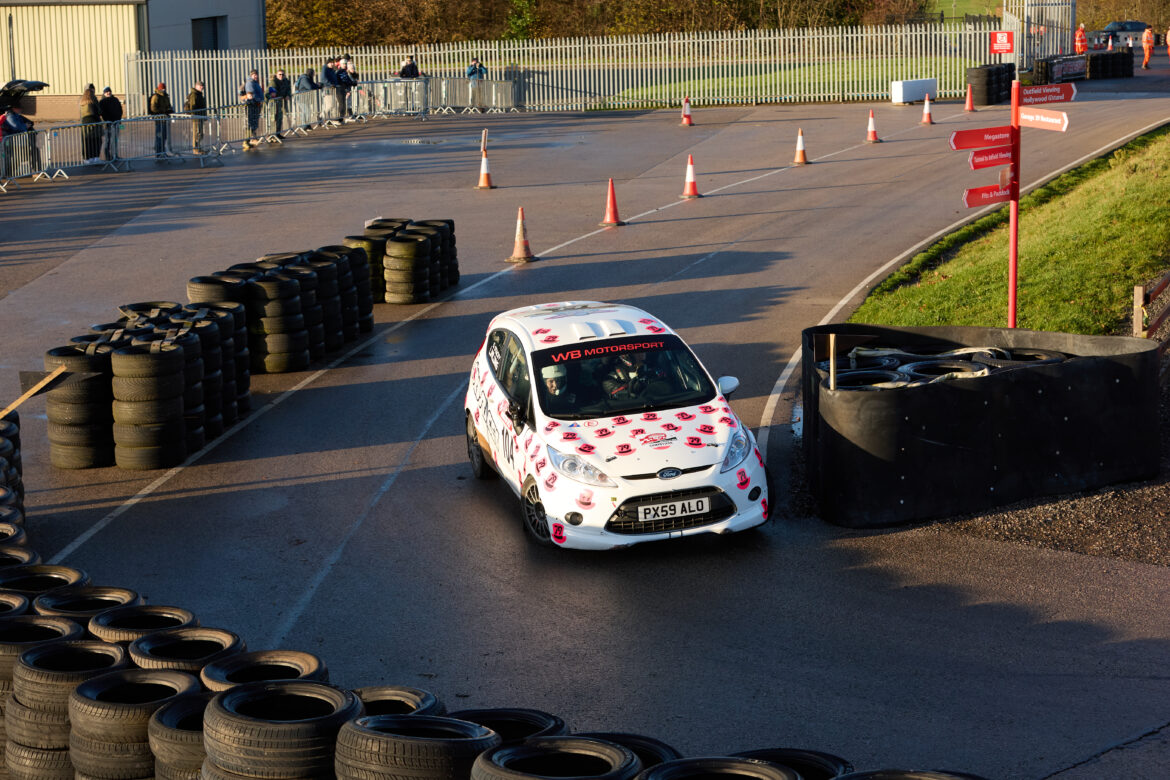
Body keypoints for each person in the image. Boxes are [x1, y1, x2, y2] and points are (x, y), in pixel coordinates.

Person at [602, 352, 667, 400]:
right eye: (637, 352)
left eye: (643, 351)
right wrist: (635, 386)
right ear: (625, 356)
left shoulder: (653, 369)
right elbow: (619, 397)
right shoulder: (610, 379)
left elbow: (667, 388)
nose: (642, 354)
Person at [148, 82, 172, 158]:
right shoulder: (156, 96)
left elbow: (168, 105)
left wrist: (169, 110)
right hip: (159, 120)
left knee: (164, 137)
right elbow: (153, 108)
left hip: (165, 119)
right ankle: (158, 154)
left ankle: (163, 152)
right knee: (159, 137)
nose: (164, 90)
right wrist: (163, 111)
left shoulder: (165, 96)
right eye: (162, 88)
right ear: (159, 88)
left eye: (164, 88)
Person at [79, 84, 102, 164]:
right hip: (94, 124)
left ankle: (87, 158)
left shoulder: (82, 101)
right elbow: (97, 112)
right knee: (96, 141)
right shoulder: (93, 101)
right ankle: (95, 157)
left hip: (85, 124)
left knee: (87, 142)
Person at [98, 87, 122, 161]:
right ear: (104, 93)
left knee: (115, 140)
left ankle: (115, 155)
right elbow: (102, 113)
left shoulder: (115, 100)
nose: (108, 93)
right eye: (106, 92)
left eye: (109, 91)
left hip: (116, 123)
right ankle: (107, 156)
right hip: (107, 124)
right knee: (107, 140)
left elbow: (120, 110)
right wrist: (107, 120)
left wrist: (118, 119)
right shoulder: (102, 102)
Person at [184, 80, 207, 153]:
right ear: (196, 86)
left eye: (202, 86)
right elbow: (193, 107)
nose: (202, 87)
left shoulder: (199, 94)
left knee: (200, 133)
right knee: (197, 134)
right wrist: (196, 116)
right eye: (201, 86)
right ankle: (196, 149)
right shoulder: (194, 95)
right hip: (197, 118)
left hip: (200, 117)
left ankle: (198, 147)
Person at [243, 69, 264, 149]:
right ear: (251, 75)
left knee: (254, 123)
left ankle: (252, 139)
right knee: (250, 124)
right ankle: (246, 141)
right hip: (252, 106)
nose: (256, 76)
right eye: (254, 75)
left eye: (256, 74)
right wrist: (258, 100)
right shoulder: (250, 83)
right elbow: (251, 94)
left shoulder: (255, 83)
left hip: (256, 105)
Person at [270, 68, 291, 137]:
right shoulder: (274, 82)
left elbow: (288, 89)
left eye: (282, 74)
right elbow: (274, 91)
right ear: (276, 75)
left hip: (282, 102)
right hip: (275, 102)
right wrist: (281, 96)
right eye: (279, 74)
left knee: (280, 117)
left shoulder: (285, 81)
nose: (281, 76)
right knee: (274, 118)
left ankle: (278, 133)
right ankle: (273, 134)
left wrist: (288, 95)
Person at [320, 57, 340, 121]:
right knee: (330, 105)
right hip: (327, 88)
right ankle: (321, 117)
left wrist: (336, 84)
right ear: (327, 63)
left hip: (333, 88)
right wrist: (330, 84)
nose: (332, 64)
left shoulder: (331, 69)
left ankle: (332, 119)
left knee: (334, 104)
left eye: (333, 63)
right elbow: (323, 79)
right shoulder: (325, 69)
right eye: (331, 63)